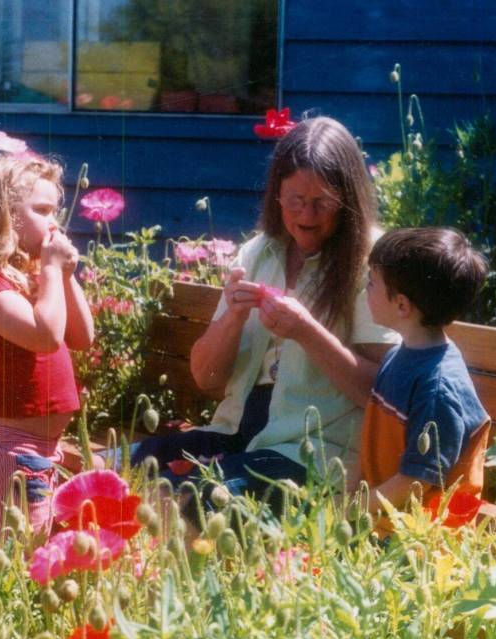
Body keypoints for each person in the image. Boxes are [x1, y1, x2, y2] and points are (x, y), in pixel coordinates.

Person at [131, 116, 399, 510]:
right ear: (276, 194)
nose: (306, 215)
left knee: (186, 500)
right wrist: (233, 319)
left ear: (348, 200)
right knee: (121, 469)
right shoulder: (258, 253)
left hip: (314, 453)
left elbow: (378, 395)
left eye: (322, 202)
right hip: (238, 431)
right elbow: (206, 379)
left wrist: (307, 331)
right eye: (295, 199)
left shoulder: (372, 262)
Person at [0, 153, 95, 554]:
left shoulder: (31, 278)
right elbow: (45, 337)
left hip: (39, 448)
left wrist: (62, 275)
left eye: (55, 210)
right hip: (5, 448)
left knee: (30, 551)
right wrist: (48, 270)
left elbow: (82, 337)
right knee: (5, 560)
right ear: (2, 215)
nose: (54, 222)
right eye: (42, 210)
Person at [348, 227, 491, 518]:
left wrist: (346, 510)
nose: (365, 290)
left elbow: (415, 484)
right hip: (383, 520)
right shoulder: (400, 355)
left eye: (372, 282)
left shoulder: (438, 387)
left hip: (425, 544)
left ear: (401, 305)